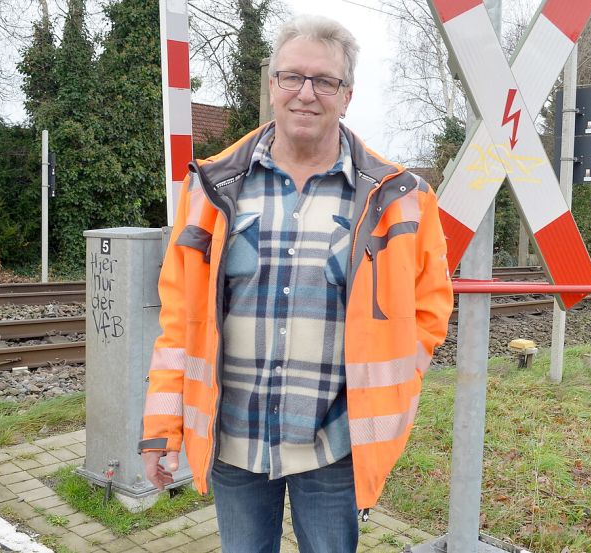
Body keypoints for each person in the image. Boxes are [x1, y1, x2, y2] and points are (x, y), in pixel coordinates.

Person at [139, 14, 453, 553]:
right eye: (293, 77)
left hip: (333, 446)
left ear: (347, 95)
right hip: (235, 443)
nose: (306, 94)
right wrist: (162, 429)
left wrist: (391, 392)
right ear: (272, 85)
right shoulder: (212, 187)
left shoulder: (400, 196)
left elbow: (430, 311)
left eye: (325, 81)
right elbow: (178, 324)